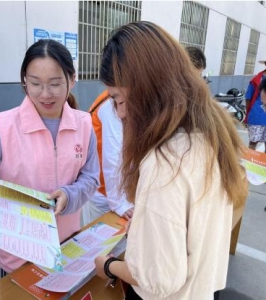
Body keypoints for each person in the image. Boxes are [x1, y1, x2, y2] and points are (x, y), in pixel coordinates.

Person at [94, 21, 248, 300]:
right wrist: (146, 226)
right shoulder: (210, 133)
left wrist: (109, 265)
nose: (119, 113)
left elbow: (158, 280)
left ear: (144, 90)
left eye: (117, 99)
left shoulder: (164, 163)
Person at [0, 39, 99, 277]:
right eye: (35, 83)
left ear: (72, 79)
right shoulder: (2, 128)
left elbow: (90, 178)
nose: (45, 94)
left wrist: (70, 195)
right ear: (24, 81)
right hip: (18, 259)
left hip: (68, 247)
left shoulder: (84, 124)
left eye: (55, 84)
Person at [80, 90, 134, 226]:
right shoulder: (110, 104)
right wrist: (120, 204)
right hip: (108, 196)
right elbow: (114, 158)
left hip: (121, 193)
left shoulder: (119, 97)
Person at [244, 59, 266, 152]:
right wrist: (248, 114)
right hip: (256, 117)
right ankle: (250, 165)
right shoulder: (256, 80)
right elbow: (248, 97)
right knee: (253, 143)